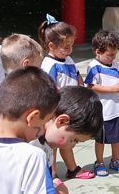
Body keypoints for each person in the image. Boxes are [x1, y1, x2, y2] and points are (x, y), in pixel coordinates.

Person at [38, 19, 93, 180]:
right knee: (53, 143)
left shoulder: (68, 60)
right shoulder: (48, 64)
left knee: (67, 139)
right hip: (56, 110)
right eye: (65, 46)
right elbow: (49, 88)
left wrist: (81, 92)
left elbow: (77, 77)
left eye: (71, 45)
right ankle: (53, 173)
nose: (69, 49)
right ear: (51, 46)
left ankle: (72, 168)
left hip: (69, 107)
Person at [85, 30, 119, 176]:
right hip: (104, 111)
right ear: (98, 52)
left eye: (114, 54)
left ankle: (115, 159)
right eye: (109, 55)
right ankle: (99, 161)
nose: (112, 58)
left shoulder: (114, 65)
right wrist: (112, 89)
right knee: (101, 139)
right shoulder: (94, 66)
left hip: (118, 109)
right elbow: (91, 86)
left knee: (117, 137)